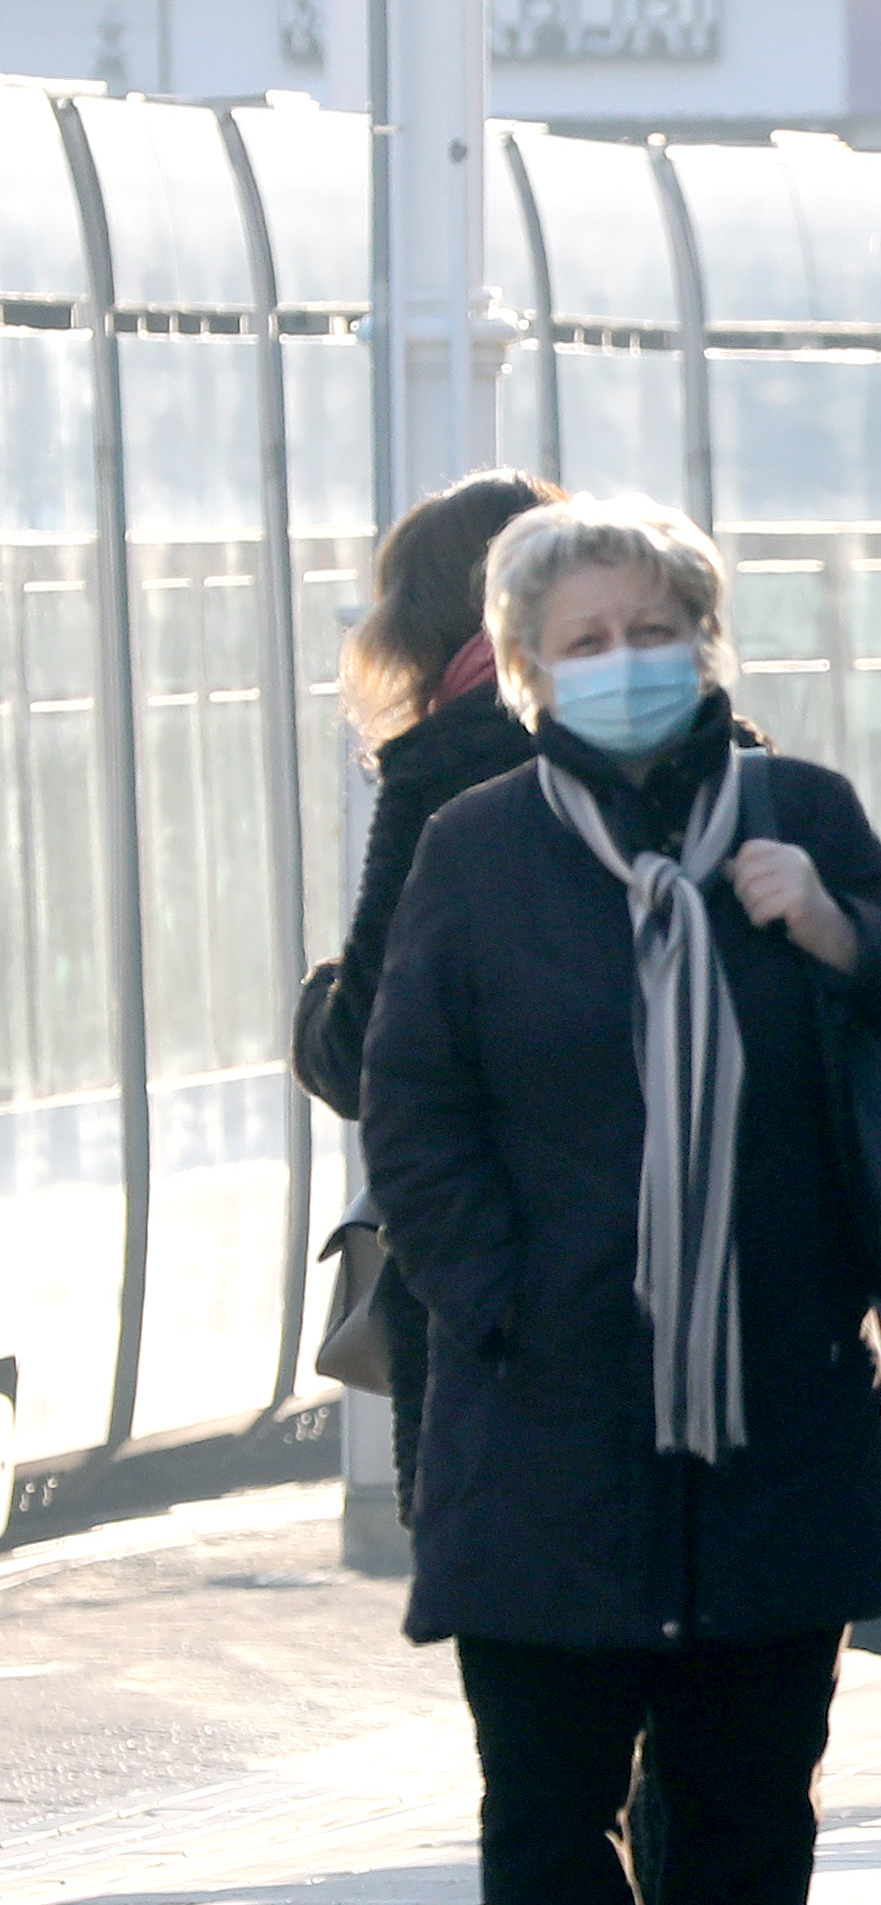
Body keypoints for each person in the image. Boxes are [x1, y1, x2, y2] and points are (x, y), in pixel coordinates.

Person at [361, 492, 881, 1905]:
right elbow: (413, 1103)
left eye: (654, 632)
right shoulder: (480, 848)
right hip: (548, 1414)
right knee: (547, 1803)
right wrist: (500, 1300)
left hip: (775, 1401)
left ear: (707, 643)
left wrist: (836, 929)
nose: (625, 662)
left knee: (747, 1800)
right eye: (587, 641)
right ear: (528, 668)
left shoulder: (798, 812)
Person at [293, 467, 569, 1507]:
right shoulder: (714, 756)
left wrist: (314, 1006)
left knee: (503, 1567)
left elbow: (361, 1050)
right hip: (694, 1277)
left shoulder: (448, 772)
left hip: (493, 1289)